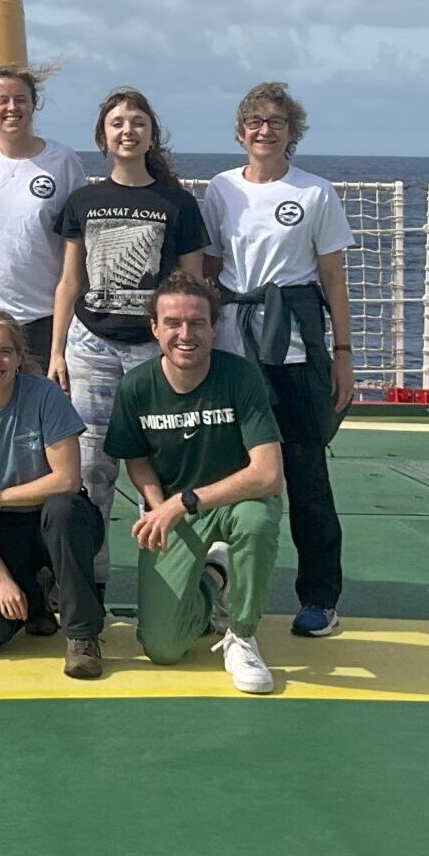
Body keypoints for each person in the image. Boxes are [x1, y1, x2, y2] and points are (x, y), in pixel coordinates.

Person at [202, 81, 355, 639]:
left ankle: (319, 596)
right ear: (241, 132)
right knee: (223, 470)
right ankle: (216, 592)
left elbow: (333, 278)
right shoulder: (220, 190)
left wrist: (342, 353)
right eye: (255, 122)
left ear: (293, 132)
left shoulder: (315, 193)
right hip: (232, 343)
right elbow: (209, 270)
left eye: (276, 122)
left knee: (305, 470)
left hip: (293, 344)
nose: (264, 130)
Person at [50, 87, 207, 593]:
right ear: (103, 136)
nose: (128, 130)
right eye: (117, 122)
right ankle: (90, 586)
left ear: (150, 134)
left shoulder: (177, 204)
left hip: (152, 352)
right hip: (91, 347)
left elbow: (192, 288)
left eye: (137, 121)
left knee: (158, 471)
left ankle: (164, 589)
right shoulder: (84, 202)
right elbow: (70, 282)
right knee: (92, 471)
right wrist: (56, 351)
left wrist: (190, 352)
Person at [106, 273, 285, 694]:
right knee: (163, 648)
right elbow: (136, 459)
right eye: (173, 323)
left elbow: (268, 473)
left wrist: (182, 503)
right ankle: (213, 582)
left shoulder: (239, 377)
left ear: (213, 326)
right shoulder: (136, 387)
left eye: (197, 323)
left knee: (256, 524)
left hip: (236, 500)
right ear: (154, 328)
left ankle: (241, 636)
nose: (185, 334)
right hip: (177, 509)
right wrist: (155, 506)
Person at [0, 310, 105, 678]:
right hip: (3, 528)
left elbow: (68, 479)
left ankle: (82, 634)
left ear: (19, 358)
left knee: (62, 511)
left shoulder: (44, 395)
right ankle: (32, 591)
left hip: (55, 519)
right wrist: (2, 579)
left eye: (5, 351)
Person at [0, 64, 85, 391]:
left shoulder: (63, 161)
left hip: (40, 318)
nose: (12, 108)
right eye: (2, 100)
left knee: (36, 422)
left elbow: (74, 242)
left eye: (20, 99)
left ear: (34, 105)